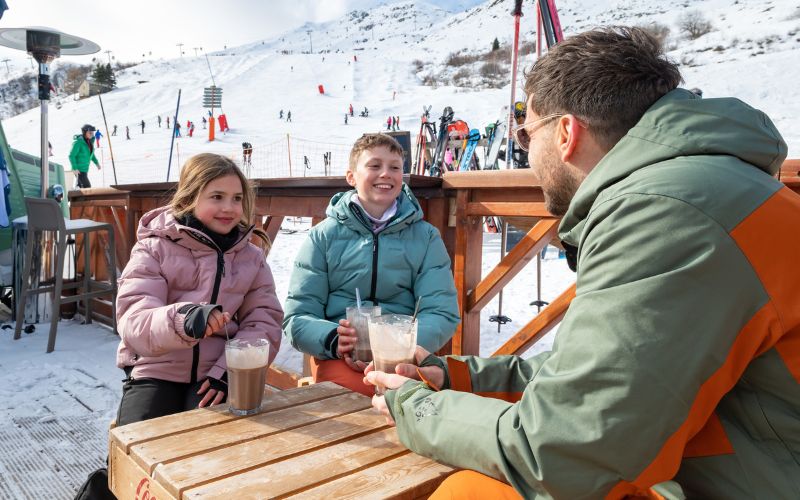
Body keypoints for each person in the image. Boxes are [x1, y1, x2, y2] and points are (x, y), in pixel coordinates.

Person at [365, 27, 799, 499]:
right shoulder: (706, 188)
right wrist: (455, 377)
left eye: (526, 134)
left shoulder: (666, 212)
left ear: (567, 133)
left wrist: (415, 408)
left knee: (468, 494)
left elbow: (560, 455)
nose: (525, 153)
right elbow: (602, 376)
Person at [74, 153, 283, 499]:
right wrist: (186, 318)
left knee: (213, 455)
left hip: (216, 375)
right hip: (155, 370)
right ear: (189, 196)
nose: (229, 208)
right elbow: (134, 319)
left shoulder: (250, 256)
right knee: (138, 456)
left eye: (236, 199)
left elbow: (264, 320)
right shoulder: (155, 247)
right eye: (216, 197)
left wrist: (232, 369)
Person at [283, 133, 460, 397]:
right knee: (345, 410)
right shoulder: (324, 236)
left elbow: (441, 312)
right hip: (338, 358)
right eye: (374, 166)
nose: (386, 174)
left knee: (411, 409)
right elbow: (297, 315)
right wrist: (333, 339)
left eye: (395, 167)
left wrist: (400, 346)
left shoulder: (425, 237)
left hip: (404, 360)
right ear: (351, 176)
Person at [68, 124, 100, 188]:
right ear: (84, 132)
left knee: (82, 187)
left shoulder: (89, 142)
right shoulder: (78, 143)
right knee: (87, 187)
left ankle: (77, 193)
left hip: (85, 170)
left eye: (92, 133)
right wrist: (75, 168)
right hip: (78, 170)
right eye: (90, 133)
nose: (92, 134)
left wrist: (97, 163)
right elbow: (71, 156)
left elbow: (91, 155)